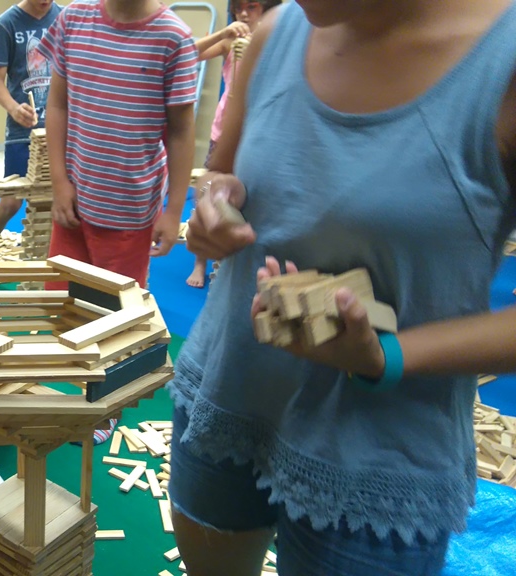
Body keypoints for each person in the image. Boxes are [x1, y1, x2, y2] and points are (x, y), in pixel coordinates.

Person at [175, 0, 516, 574]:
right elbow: (221, 171)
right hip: (229, 390)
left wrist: (386, 356)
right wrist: (215, 201)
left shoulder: (502, 63)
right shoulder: (277, 32)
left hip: (376, 457)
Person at [37, 0, 199, 291]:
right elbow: (58, 105)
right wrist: (59, 182)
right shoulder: (73, 19)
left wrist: (174, 211)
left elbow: (181, 132)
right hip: (74, 202)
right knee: (62, 302)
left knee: (115, 307)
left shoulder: (173, 37)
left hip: (129, 213)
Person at [185, 0, 280, 289]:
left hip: (256, 134)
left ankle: (227, 264)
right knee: (209, 193)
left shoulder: (275, 42)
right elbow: (187, 54)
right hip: (223, 133)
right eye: (239, 8)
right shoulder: (230, 42)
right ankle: (200, 261)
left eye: (252, 7)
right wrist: (222, 34)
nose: (244, 14)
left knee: (245, 201)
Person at [0, 0, 61, 257]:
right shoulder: (7, 23)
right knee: (11, 202)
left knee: (59, 198)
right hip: (21, 133)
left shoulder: (64, 17)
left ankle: (53, 257)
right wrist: (14, 108)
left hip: (61, 130)